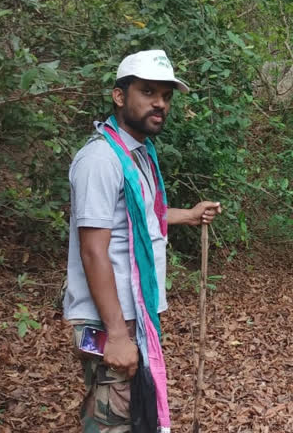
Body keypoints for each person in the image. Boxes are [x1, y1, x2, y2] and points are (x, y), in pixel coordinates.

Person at [63, 49, 223, 432]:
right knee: (113, 418)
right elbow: (92, 249)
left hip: (136, 314)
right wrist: (117, 335)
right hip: (109, 319)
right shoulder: (101, 160)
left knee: (136, 414)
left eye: (166, 96)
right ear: (120, 97)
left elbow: (140, 219)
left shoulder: (139, 155)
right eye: (148, 92)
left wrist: (189, 215)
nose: (160, 104)